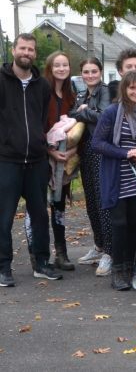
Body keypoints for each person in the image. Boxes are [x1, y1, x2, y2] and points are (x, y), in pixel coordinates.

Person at [0, 34, 60, 287]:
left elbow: (43, 119)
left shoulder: (42, 85)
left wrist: (44, 145)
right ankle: (3, 268)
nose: (27, 52)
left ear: (35, 54)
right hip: (7, 160)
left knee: (39, 215)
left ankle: (42, 263)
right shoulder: (1, 80)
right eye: (22, 48)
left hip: (36, 160)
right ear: (13, 50)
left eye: (31, 49)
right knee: (4, 217)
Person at [92, 71, 136, 289]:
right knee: (119, 225)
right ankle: (118, 270)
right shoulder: (112, 112)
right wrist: (126, 153)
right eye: (132, 88)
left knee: (132, 226)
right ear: (124, 89)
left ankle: (130, 269)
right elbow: (98, 143)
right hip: (116, 178)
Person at [71, 58, 112, 274]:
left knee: (102, 200)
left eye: (94, 71)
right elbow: (72, 113)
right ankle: (99, 245)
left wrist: (83, 111)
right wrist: (84, 110)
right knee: (91, 203)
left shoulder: (104, 91)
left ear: (101, 71)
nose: (90, 75)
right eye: (86, 71)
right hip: (85, 151)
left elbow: (104, 116)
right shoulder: (81, 93)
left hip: (100, 151)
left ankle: (110, 252)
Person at [42, 51, 77, 271]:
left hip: (64, 159)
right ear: (50, 68)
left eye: (65, 65)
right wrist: (49, 150)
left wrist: (71, 151)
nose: (62, 69)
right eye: (57, 65)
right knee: (37, 207)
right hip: (41, 156)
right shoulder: (42, 92)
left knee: (59, 205)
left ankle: (61, 253)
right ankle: (39, 254)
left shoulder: (71, 95)